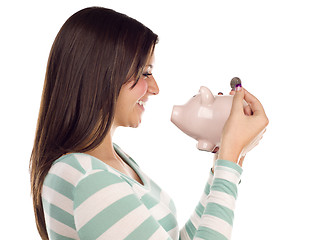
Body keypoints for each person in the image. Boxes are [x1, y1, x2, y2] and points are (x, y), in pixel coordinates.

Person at [30, 7, 268, 240]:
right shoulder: (88, 178)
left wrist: (226, 161)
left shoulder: (109, 163)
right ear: (102, 75)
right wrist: (229, 162)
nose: (155, 89)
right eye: (145, 73)